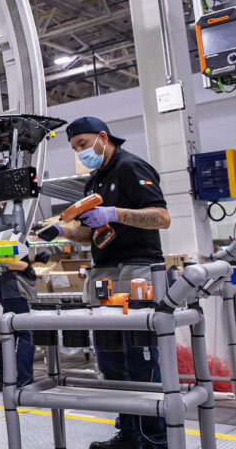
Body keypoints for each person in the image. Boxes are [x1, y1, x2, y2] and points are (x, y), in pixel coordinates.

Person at [38, 117, 171, 449]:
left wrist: (114, 213)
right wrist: (61, 231)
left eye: (82, 145)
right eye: (74, 149)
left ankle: (154, 440)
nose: (80, 153)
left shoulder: (131, 167)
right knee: (111, 362)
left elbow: (161, 217)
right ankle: (128, 436)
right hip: (104, 272)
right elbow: (89, 232)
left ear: (102, 137)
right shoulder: (93, 181)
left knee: (140, 358)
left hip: (136, 268)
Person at [0, 203, 37, 391]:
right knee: (26, 333)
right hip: (13, 285)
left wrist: (35, 259)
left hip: (5, 285)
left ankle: (5, 379)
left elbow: (13, 255)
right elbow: (6, 261)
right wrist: (27, 267)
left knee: (9, 333)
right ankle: (23, 380)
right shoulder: (6, 228)